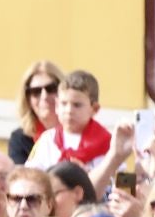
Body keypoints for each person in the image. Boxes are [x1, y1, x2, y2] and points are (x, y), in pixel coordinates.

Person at [27, 70, 134, 202]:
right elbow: (30, 178)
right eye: (64, 104)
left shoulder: (110, 143)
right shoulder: (47, 140)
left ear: (95, 109)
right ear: (56, 106)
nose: (69, 110)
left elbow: (126, 183)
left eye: (77, 105)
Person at [9, 60, 64, 165]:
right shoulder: (20, 138)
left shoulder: (79, 133)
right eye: (36, 91)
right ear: (27, 99)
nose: (44, 96)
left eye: (51, 89)